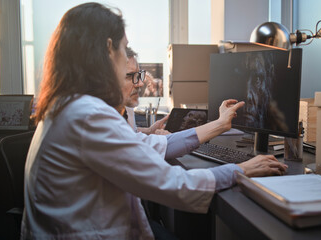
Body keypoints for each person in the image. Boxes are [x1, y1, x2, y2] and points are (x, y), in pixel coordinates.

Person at [22, 3, 287, 239]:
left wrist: (218, 124)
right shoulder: (88, 115)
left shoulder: (68, 106)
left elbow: (148, 147)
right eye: (124, 50)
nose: (128, 60)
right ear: (106, 50)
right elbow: (171, 184)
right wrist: (241, 170)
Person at [123, 47, 168, 135]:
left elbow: (130, 132)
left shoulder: (126, 104)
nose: (140, 84)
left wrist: (149, 131)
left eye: (139, 75)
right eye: (129, 76)